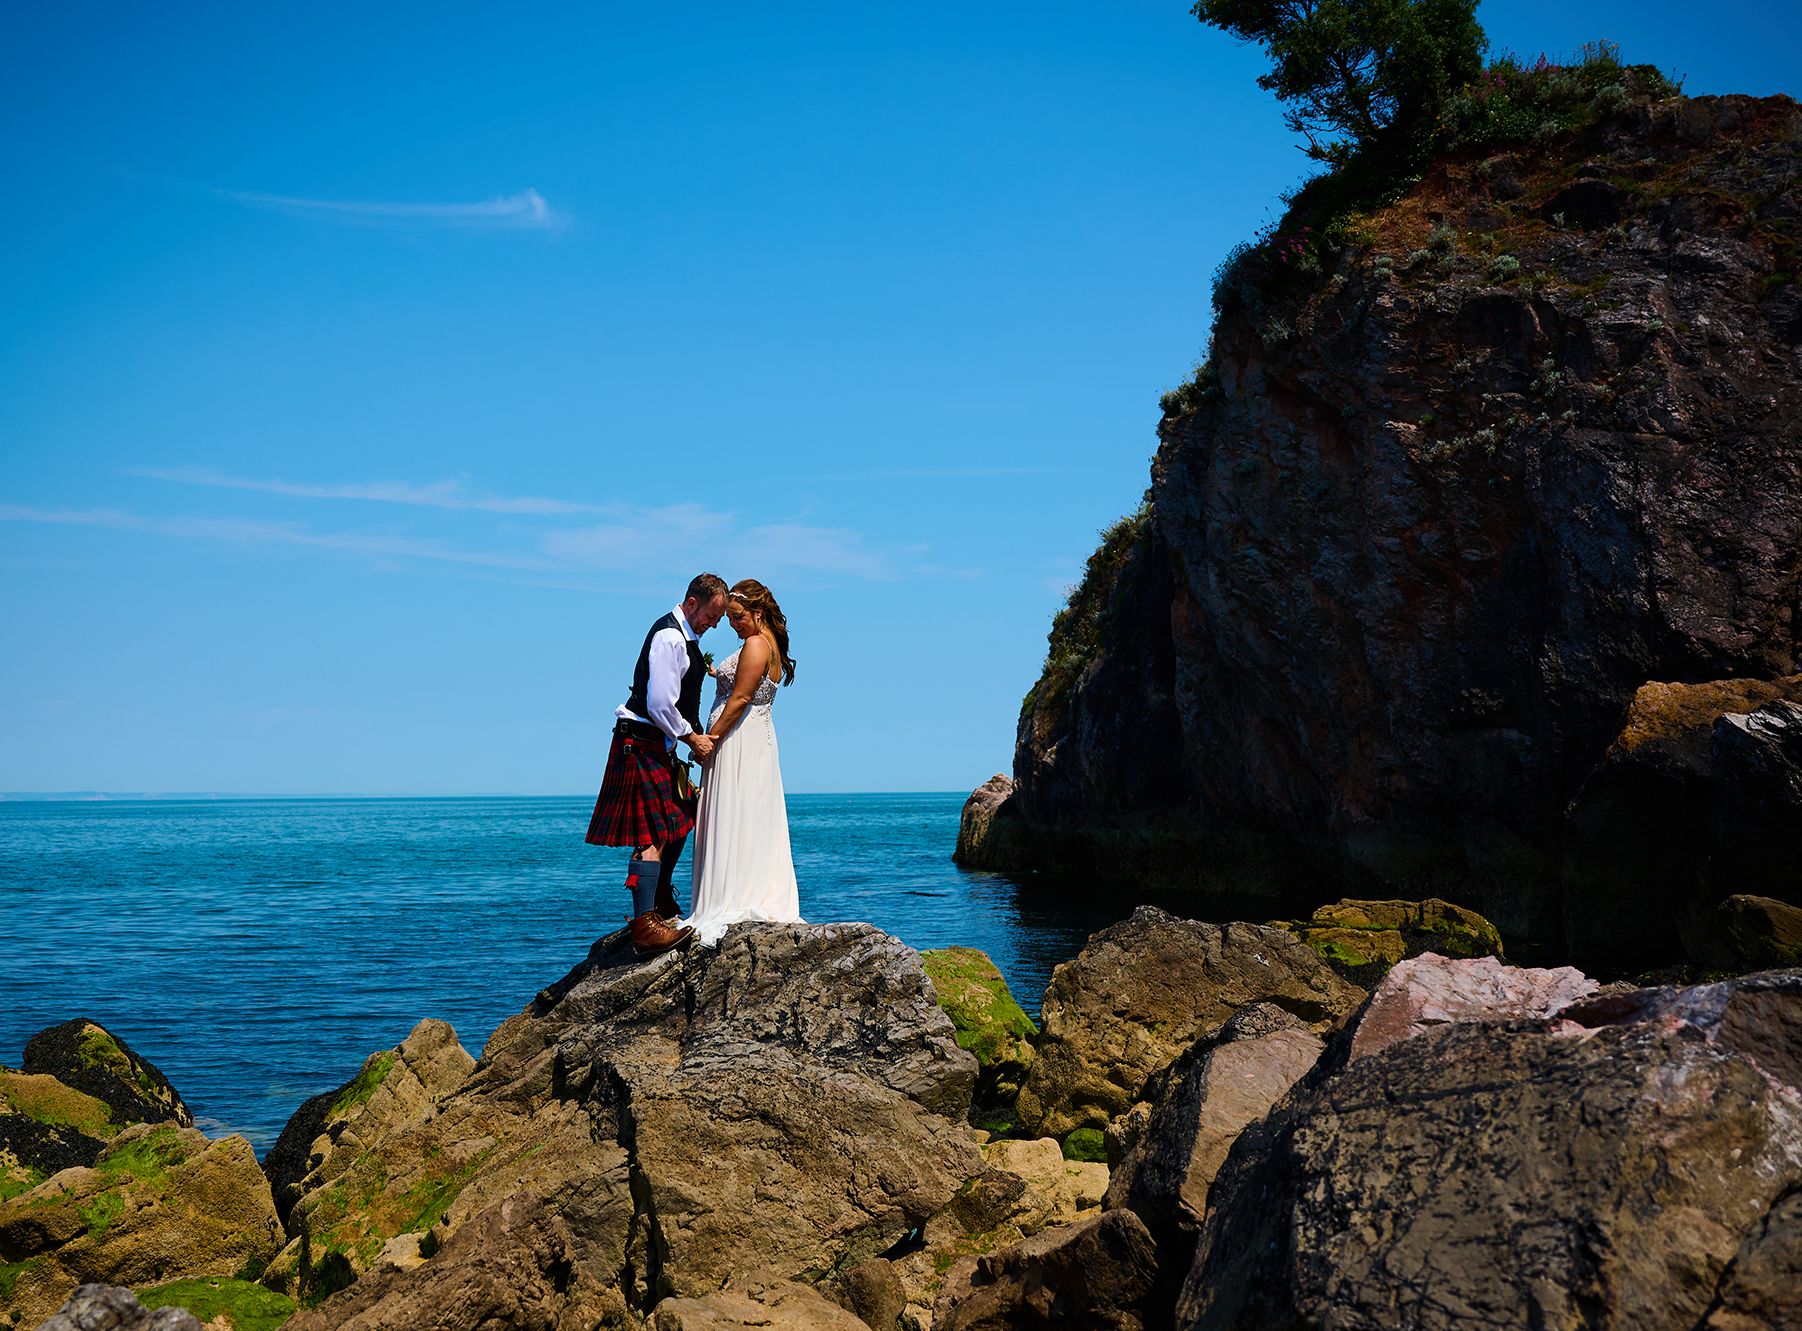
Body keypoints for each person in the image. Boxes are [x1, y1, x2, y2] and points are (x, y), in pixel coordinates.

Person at [585, 573, 728, 957]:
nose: (714, 625)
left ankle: (660, 898)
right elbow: (660, 704)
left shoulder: (685, 638)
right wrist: (691, 737)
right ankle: (645, 925)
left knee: (681, 814)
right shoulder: (669, 637)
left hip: (652, 743)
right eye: (711, 616)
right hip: (640, 742)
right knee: (652, 832)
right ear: (692, 602)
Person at [681, 578, 802, 946]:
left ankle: (731, 896)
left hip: (738, 738)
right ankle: (748, 887)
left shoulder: (756, 644)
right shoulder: (769, 643)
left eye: (738, 617)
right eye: (730, 618)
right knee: (749, 812)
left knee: (736, 810)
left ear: (758, 613)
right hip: (755, 739)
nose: (733, 625)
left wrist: (709, 740)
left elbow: (741, 698)